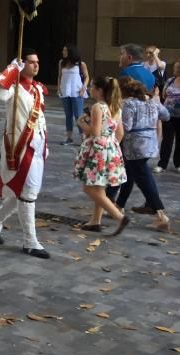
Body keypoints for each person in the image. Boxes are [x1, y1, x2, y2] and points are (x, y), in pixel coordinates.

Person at [0, 49, 51, 259]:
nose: (35, 66)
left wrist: (45, 143)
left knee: (26, 191)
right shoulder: (13, 88)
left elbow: (41, 119)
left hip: (37, 145)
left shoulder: (38, 89)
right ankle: (30, 241)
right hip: (20, 146)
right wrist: (11, 69)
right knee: (28, 193)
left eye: (37, 62)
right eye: (31, 62)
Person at [111, 77, 170, 231]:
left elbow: (127, 127)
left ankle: (160, 213)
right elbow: (166, 116)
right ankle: (119, 204)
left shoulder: (128, 104)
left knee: (144, 179)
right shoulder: (152, 101)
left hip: (135, 145)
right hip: (150, 143)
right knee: (129, 173)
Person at [73, 76, 129, 235]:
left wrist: (82, 124)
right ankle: (95, 221)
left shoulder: (98, 107)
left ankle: (118, 216)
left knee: (89, 188)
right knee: (100, 187)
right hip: (111, 148)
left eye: (92, 87)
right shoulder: (116, 106)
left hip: (98, 150)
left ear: (99, 90)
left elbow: (96, 133)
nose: (90, 89)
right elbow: (120, 133)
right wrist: (111, 146)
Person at [57, 43, 89, 145]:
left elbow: (87, 77)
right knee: (68, 115)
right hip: (65, 91)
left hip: (77, 92)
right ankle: (69, 138)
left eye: (65, 50)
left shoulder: (80, 64)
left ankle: (83, 138)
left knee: (78, 115)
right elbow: (59, 76)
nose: (63, 52)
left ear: (70, 52)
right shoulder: (61, 62)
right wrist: (58, 88)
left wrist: (84, 88)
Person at [157, 61, 180, 174]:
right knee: (167, 140)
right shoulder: (170, 80)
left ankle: (178, 164)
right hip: (168, 116)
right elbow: (163, 95)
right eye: (175, 67)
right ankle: (162, 164)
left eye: (177, 68)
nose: (174, 69)